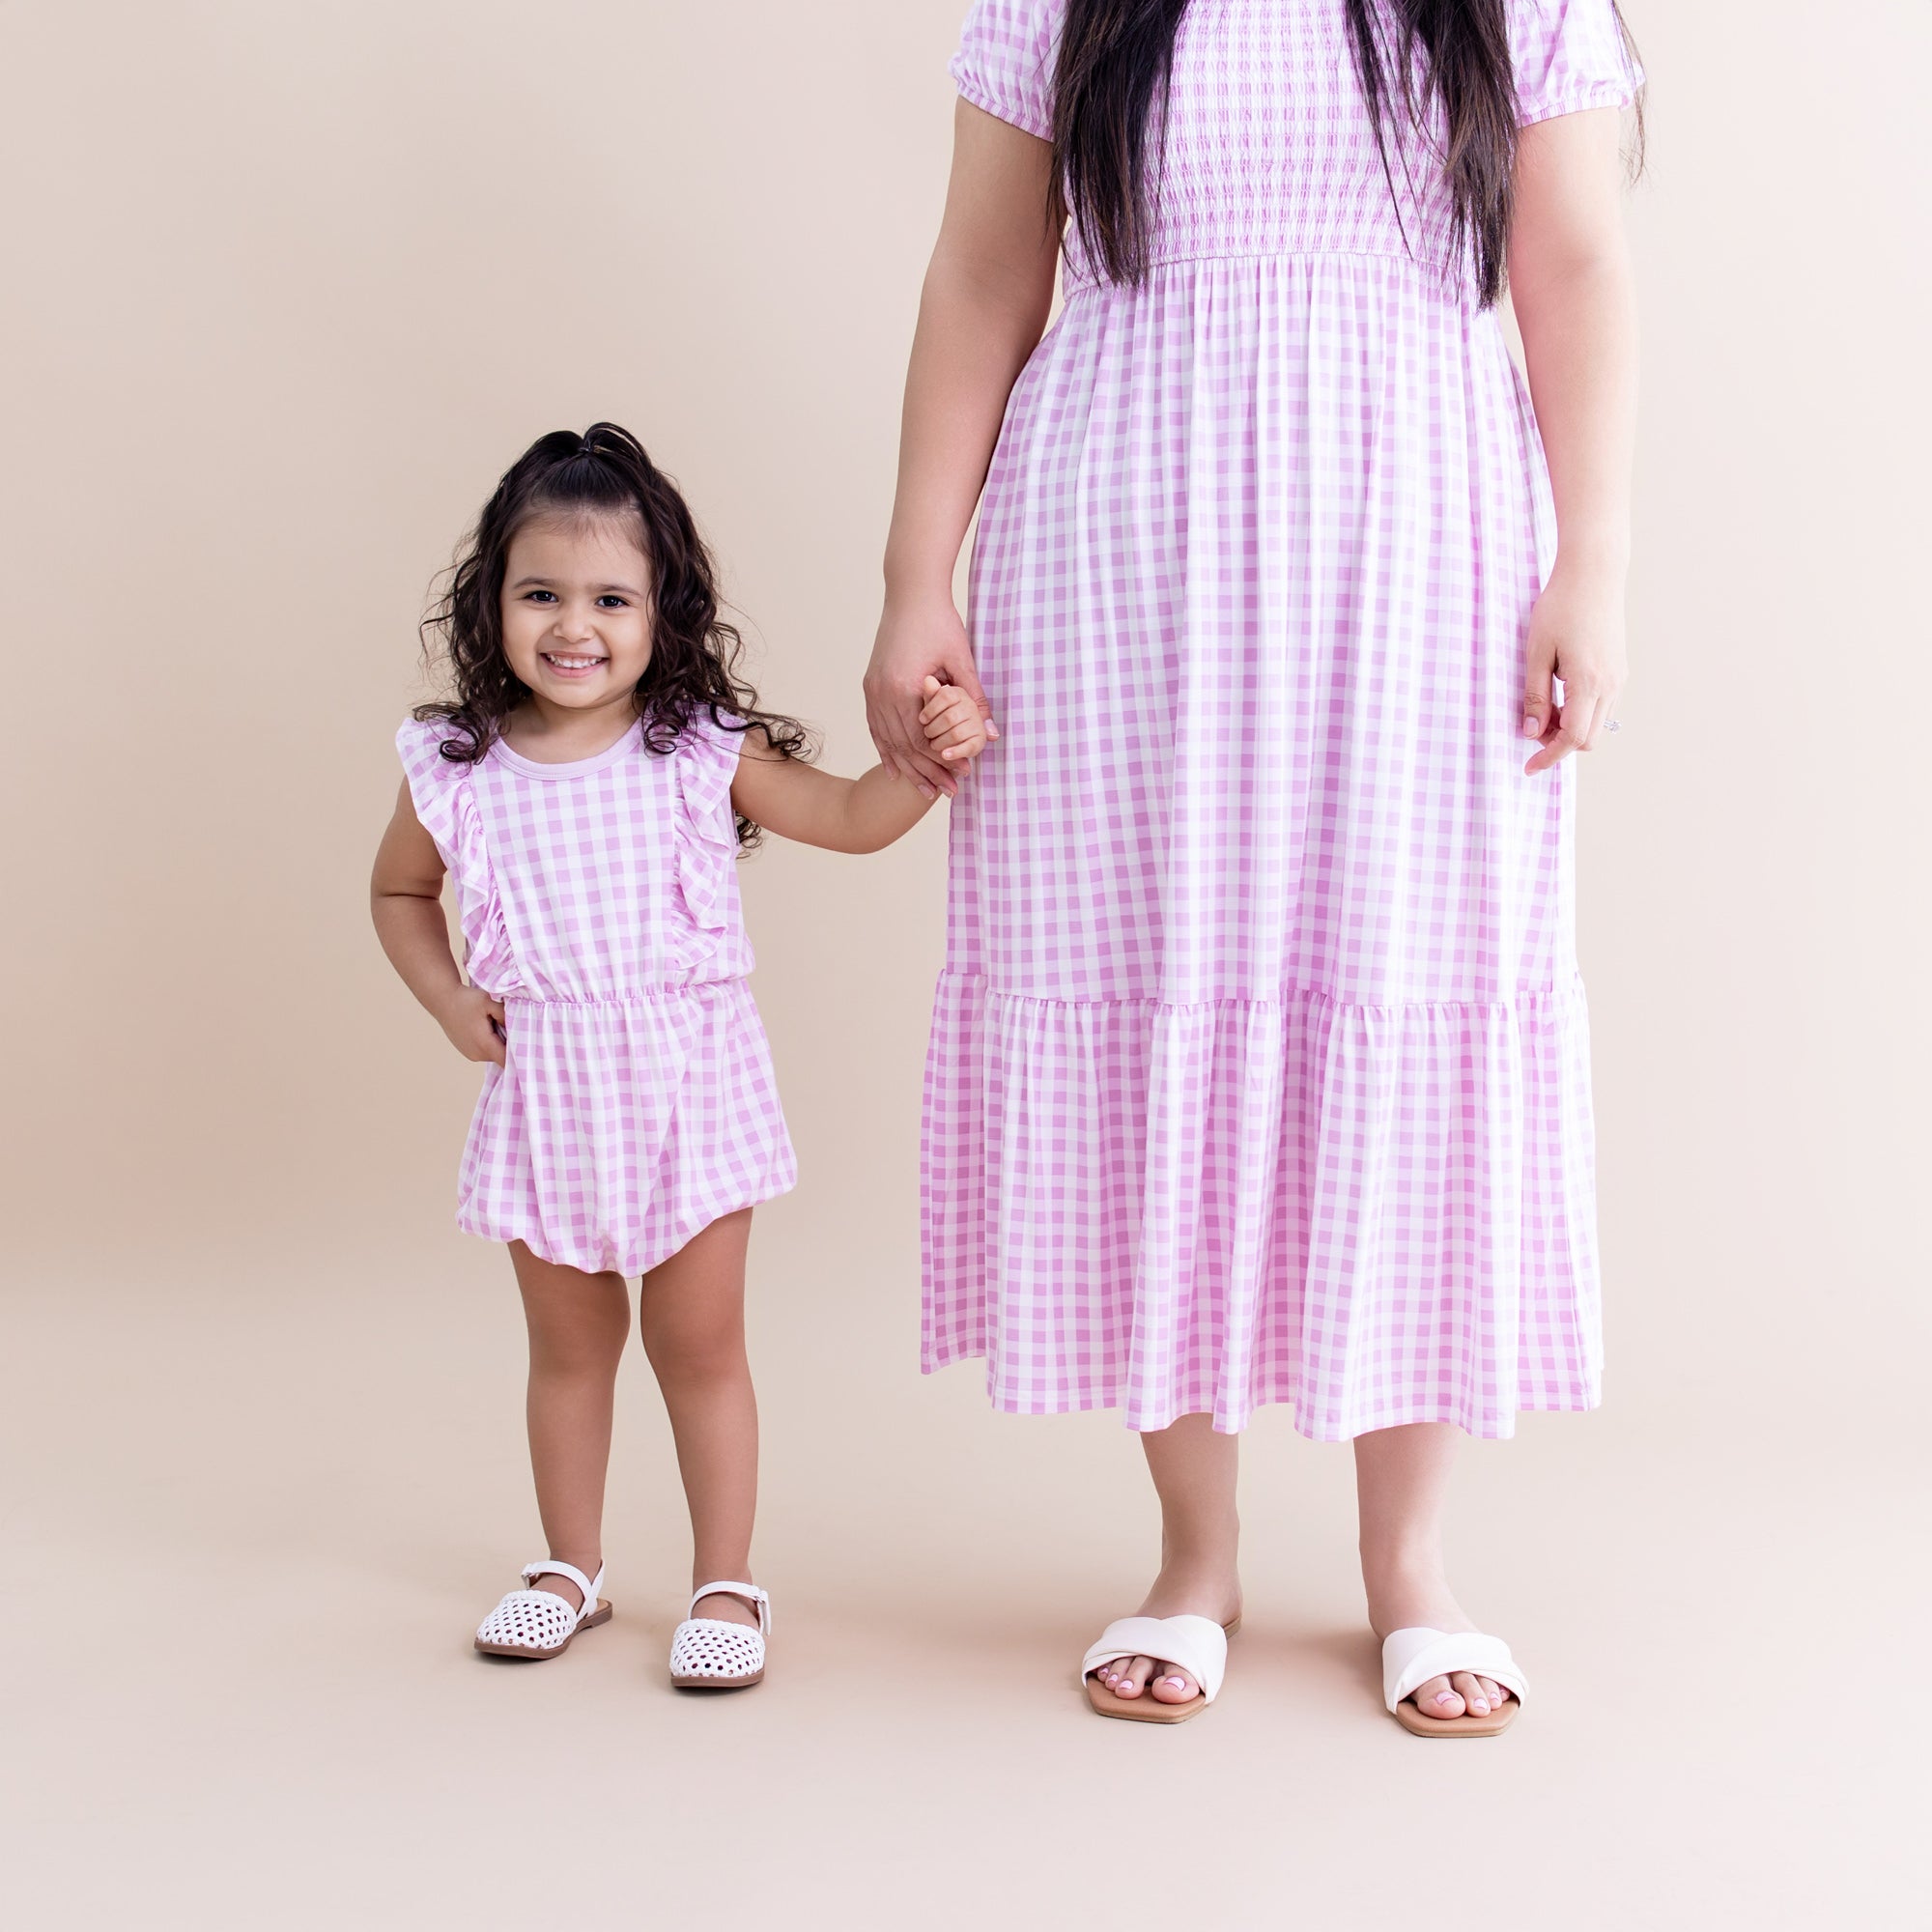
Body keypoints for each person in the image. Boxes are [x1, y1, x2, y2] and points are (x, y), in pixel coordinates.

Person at [865, 0, 1641, 1732]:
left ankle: (1411, 1567)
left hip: (1428, 545)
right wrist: (918, 578)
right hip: (1124, 553)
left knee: (1415, 1004)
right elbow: (985, 275)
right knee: (1158, 1014)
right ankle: (1193, 1558)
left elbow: (1574, 265)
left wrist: (1594, 561)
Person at [373, 423, 988, 1689]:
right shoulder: (456, 766)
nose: (573, 626)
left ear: (664, 613)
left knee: (699, 1350)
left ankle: (726, 1581)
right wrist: (447, 1001)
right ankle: (571, 1568)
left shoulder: (694, 747)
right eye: (540, 592)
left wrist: (920, 765)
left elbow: (844, 814)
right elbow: (396, 896)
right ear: (493, 602)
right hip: (550, 1096)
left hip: (689, 1093)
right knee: (568, 1352)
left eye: (610, 598)